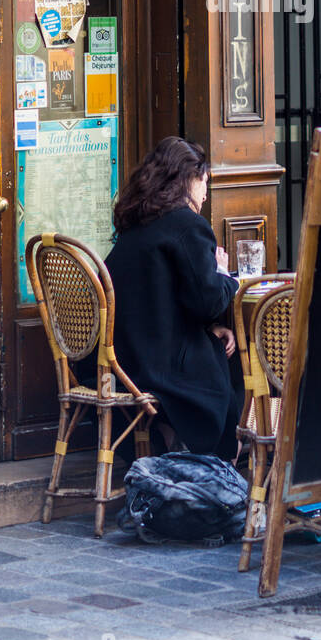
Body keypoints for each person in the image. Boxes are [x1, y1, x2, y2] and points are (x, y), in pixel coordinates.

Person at [105, 136, 242, 460]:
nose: (206, 193)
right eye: (205, 182)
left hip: (120, 361)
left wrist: (208, 329)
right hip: (158, 368)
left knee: (215, 342)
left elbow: (164, 302)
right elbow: (208, 301)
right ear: (188, 179)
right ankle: (224, 457)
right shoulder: (188, 225)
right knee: (225, 356)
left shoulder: (136, 223)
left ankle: (170, 445)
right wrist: (224, 274)